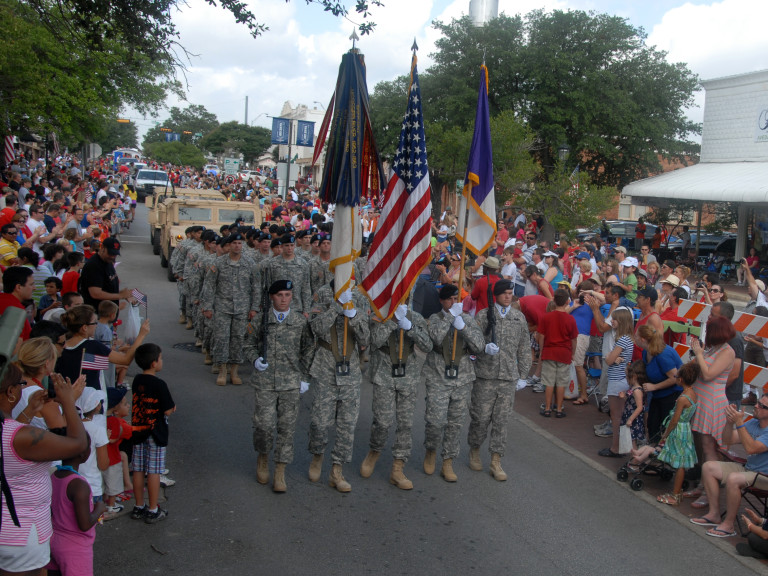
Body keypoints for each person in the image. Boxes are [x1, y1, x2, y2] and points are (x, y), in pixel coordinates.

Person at [0, 364, 88, 575]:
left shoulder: (13, 433)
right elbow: (78, 445)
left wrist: (30, 410)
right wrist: (69, 402)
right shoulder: (22, 436)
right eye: (21, 384)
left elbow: (7, 443)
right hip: (20, 535)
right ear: (11, 392)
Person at [245, 280, 314, 493]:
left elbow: (308, 350)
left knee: (287, 428)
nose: (284, 299)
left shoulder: (300, 321)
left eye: (287, 295)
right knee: (263, 426)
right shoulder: (261, 320)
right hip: (265, 382)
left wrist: (304, 377)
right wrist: (255, 359)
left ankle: (280, 471)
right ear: (271, 297)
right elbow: (248, 344)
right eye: (279, 295)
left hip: (291, 383)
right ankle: (263, 457)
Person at [361, 302, 432, 490]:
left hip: (408, 375)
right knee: (382, 422)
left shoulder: (415, 317)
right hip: (384, 373)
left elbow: (427, 345)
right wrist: (392, 321)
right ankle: (374, 450)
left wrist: (410, 328)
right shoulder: (378, 316)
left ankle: (398, 467)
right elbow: (373, 342)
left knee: (405, 424)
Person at [307, 283, 370, 492]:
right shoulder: (323, 293)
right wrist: (336, 307)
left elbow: (365, 338)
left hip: (350, 370)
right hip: (326, 367)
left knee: (347, 426)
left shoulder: (358, 297)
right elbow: (315, 328)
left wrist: (354, 315)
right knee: (319, 423)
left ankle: (337, 470)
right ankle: (317, 455)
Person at [468, 280, 531, 480]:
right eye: (504, 293)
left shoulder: (518, 317)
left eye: (510, 293)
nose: (507, 296)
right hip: (485, 376)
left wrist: (523, 375)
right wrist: (482, 348)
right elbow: (472, 342)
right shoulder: (484, 315)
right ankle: (475, 449)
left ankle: (496, 460)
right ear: (496, 295)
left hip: (507, 377)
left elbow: (524, 348)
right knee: (480, 418)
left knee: (501, 421)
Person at [422, 284, 484, 482]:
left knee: (455, 423)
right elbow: (435, 339)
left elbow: (479, 346)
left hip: (462, 377)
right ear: (442, 301)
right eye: (449, 299)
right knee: (435, 421)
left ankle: (447, 461)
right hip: (438, 375)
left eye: (456, 298)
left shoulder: (467, 319)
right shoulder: (435, 319)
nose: (453, 302)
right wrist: (450, 317)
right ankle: (431, 450)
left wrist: (463, 327)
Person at [690, 402, 768, 538]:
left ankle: (729, 525)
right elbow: (727, 439)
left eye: (762, 406)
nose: (756, 406)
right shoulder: (753, 423)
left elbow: (752, 448)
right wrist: (730, 422)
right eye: (757, 403)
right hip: (749, 469)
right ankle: (714, 514)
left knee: (733, 478)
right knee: (708, 467)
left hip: (764, 476)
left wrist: (739, 422)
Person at [199, 233, 259, 386]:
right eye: (234, 243)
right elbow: (209, 285)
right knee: (221, 338)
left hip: (242, 309)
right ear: (229, 245)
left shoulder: (250, 263)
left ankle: (234, 371)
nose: (237, 246)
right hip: (222, 307)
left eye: (239, 243)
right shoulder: (218, 263)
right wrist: (207, 306)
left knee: (238, 339)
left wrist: (254, 308)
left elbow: (256, 287)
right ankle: (222, 370)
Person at [130, 343, 176, 523]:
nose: (162, 361)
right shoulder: (159, 384)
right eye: (161, 358)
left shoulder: (136, 380)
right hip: (155, 432)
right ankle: (153, 508)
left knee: (138, 469)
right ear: (154, 363)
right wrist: (172, 408)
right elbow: (168, 410)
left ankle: (138, 505)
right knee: (154, 471)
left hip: (138, 430)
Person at [57, 305, 150, 393]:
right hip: (91, 398)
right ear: (85, 328)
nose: (97, 325)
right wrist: (141, 335)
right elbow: (125, 360)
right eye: (95, 323)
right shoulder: (93, 346)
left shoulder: (61, 347)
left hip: (68, 396)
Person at [46, 436, 103, 576]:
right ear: (83, 454)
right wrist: (99, 509)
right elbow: (85, 524)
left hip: (53, 541)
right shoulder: (79, 485)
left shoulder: (54, 476)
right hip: (75, 548)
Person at [652, 361, 699, 506]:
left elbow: (674, 420)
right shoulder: (692, 393)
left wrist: (665, 435)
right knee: (681, 462)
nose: (675, 377)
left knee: (680, 464)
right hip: (685, 429)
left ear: (681, 379)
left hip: (678, 430)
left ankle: (675, 494)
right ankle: (676, 492)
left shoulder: (683, 398)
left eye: (676, 376)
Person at [690, 315, 735, 466]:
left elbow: (708, 375)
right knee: (698, 442)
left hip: (711, 403)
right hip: (702, 400)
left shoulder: (727, 352)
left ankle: (708, 477)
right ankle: (700, 473)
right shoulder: (714, 349)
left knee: (708, 445)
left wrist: (699, 354)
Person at [597, 307, 634, 457]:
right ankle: (619, 446)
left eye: (614, 319)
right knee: (618, 415)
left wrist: (609, 357)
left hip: (617, 380)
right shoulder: (628, 338)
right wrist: (611, 357)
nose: (611, 321)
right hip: (620, 379)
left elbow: (609, 360)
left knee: (616, 416)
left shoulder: (623, 339)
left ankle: (616, 447)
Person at [539, 288, 579, 418]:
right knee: (561, 382)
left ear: (554, 300)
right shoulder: (570, 319)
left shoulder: (546, 317)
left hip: (549, 351)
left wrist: (542, 350)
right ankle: (559, 409)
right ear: (567, 301)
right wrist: (572, 353)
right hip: (564, 353)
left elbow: (541, 336)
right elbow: (574, 339)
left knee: (549, 382)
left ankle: (547, 408)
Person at [78, 237, 136, 311]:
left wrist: (122, 294)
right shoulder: (94, 266)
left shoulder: (107, 261)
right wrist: (120, 296)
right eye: (110, 253)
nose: (112, 256)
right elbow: (96, 293)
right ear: (102, 247)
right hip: (97, 312)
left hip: (108, 312)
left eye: (115, 254)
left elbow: (107, 286)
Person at [103, 387, 131, 520]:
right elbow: (113, 439)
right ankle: (111, 506)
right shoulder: (114, 421)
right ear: (115, 408)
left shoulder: (99, 419)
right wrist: (118, 432)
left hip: (100, 457)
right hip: (113, 457)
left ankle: (103, 503)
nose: (128, 405)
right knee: (113, 485)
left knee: (103, 483)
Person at [617, 361, 646, 453]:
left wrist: (630, 419)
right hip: (629, 415)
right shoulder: (633, 388)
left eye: (627, 376)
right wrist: (623, 397)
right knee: (630, 440)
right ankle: (634, 458)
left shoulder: (637, 391)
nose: (626, 378)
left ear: (634, 377)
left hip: (633, 418)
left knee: (631, 441)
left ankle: (635, 459)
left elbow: (639, 407)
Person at [0, 266, 34, 340]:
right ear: (18, 287)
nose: (34, 288)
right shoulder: (15, 310)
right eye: (31, 285)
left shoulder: (5, 301)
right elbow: (15, 344)